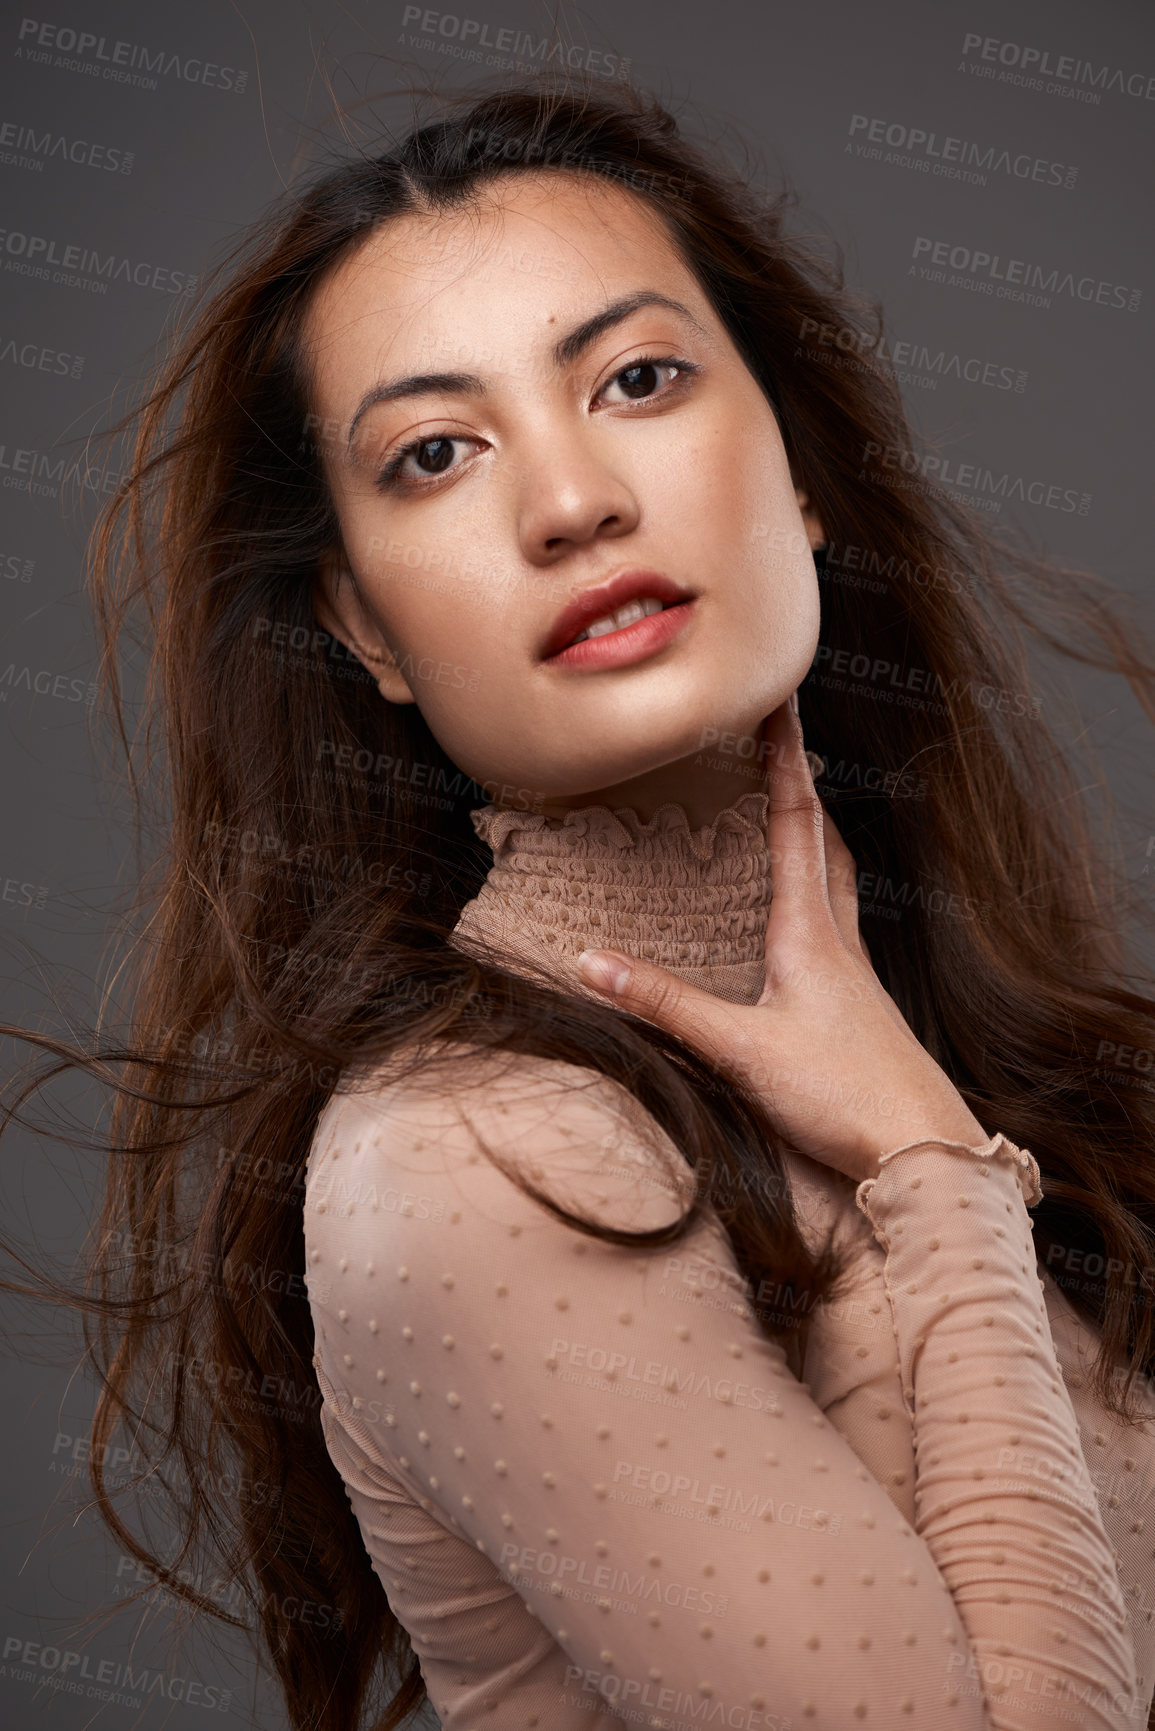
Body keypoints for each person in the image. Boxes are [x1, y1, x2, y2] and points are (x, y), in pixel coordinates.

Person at [7, 73, 1155, 1731]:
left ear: (803, 473)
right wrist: (926, 1166)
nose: (569, 502)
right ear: (367, 632)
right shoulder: (478, 1160)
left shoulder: (922, 1012)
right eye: (437, 453)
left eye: (636, 378)